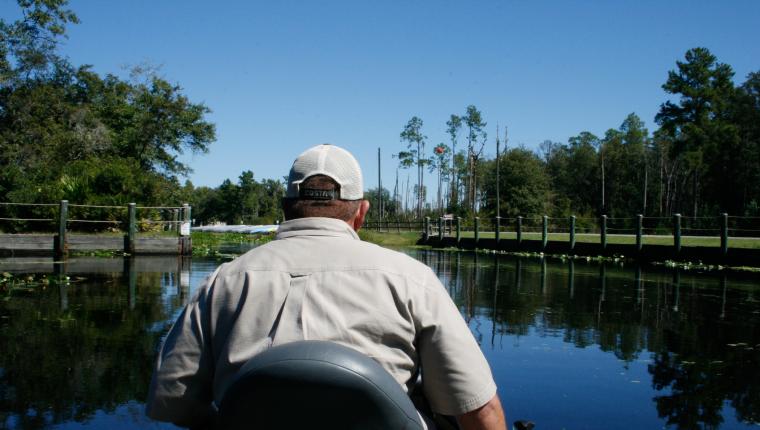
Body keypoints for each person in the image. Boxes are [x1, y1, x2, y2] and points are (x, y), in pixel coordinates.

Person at [146, 144, 506, 430]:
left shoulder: (223, 281)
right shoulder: (412, 280)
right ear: (361, 213)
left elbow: (171, 400)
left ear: (286, 208)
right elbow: (478, 407)